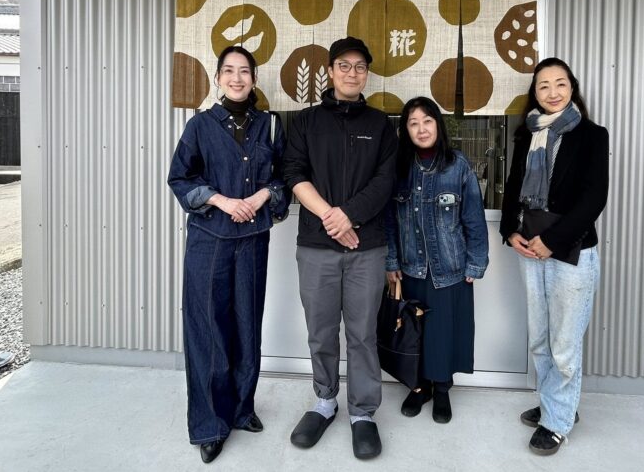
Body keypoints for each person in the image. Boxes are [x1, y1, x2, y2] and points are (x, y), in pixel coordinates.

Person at [167, 46, 288, 464]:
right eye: (229, 71)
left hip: (253, 240)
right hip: (209, 241)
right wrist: (220, 200)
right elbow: (179, 178)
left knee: (246, 326)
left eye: (245, 71)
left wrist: (260, 197)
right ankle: (209, 425)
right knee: (207, 330)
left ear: (254, 79)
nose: (237, 78)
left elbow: (284, 179)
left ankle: (241, 409)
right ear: (218, 78)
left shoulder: (269, 126)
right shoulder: (200, 125)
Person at [283, 36, 397, 460]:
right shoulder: (306, 122)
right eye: (344, 66)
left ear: (367, 74)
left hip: (367, 247)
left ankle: (363, 413)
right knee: (321, 330)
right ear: (330, 72)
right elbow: (293, 173)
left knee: (363, 334)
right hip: (317, 246)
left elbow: (385, 182)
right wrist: (333, 219)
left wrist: (349, 216)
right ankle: (325, 401)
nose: (352, 73)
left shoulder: (381, 124)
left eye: (360, 67)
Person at [499, 57, 609, 456]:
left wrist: (553, 241)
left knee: (564, 341)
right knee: (542, 338)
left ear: (572, 87)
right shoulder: (527, 133)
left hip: (571, 250)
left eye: (560, 83)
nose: (552, 92)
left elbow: (594, 197)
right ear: (535, 92)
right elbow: (514, 187)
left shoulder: (592, 135)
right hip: (530, 248)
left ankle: (557, 420)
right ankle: (555, 403)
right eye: (543, 85)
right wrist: (510, 230)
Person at [385, 96, 489, 423]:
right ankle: (420, 388)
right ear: (406, 130)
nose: (421, 129)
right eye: (413, 123)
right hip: (411, 267)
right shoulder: (399, 168)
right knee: (416, 331)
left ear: (438, 125)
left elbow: (474, 218)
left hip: (450, 267)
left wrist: (476, 262)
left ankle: (442, 389)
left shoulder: (457, 165)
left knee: (443, 331)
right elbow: (389, 221)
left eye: (427, 121)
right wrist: (391, 261)